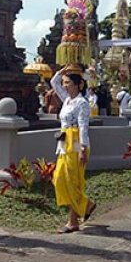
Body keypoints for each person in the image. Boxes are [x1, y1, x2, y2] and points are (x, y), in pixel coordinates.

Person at [50, 66, 96, 234]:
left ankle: (72, 221)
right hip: (64, 142)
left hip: (76, 142)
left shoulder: (82, 103)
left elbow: (84, 127)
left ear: (78, 85)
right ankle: (87, 205)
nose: (65, 85)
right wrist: (62, 71)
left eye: (68, 83)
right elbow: (53, 83)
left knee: (72, 180)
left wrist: (82, 149)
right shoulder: (67, 100)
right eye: (65, 83)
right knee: (59, 178)